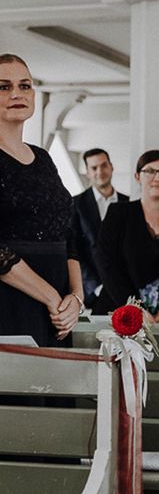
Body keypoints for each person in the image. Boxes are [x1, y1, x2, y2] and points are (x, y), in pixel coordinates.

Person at [0, 53, 84, 346]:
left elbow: (67, 231)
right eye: (4, 87)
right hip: (11, 305)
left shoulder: (44, 158)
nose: (16, 94)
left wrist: (75, 298)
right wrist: (51, 296)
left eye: (24, 86)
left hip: (58, 312)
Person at [94, 149, 159, 322]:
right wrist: (134, 308)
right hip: (121, 315)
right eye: (150, 171)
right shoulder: (118, 213)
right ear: (137, 177)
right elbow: (106, 264)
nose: (158, 178)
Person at [71, 148, 128, 307]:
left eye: (104, 166)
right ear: (87, 172)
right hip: (92, 294)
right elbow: (73, 250)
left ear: (111, 167)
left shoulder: (129, 204)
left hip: (126, 293)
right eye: (94, 168)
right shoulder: (75, 204)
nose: (100, 171)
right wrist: (95, 287)